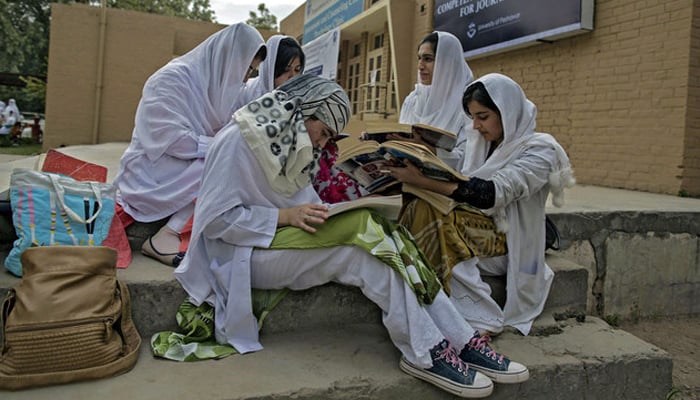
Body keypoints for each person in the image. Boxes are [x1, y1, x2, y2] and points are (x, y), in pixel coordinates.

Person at [174, 74, 529, 398]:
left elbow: (305, 202)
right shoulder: (237, 139)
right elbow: (217, 222)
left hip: (277, 240)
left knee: (386, 242)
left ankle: (459, 339)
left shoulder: (290, 139)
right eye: (325, 132)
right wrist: (285, 216)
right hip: (240, 255)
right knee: (363, 248)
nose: (323, 143)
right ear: (305, 112)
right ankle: (426, 351)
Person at [385, 73, 576, 336]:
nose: (475, 126)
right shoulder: (482, 145)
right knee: (420, 207)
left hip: (509, 244)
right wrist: (419, 149)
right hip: (477, 231)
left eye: (483, 117)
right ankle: (433, 303)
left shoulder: (541, 151)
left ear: (506, 112)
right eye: (473, 117)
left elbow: (491, 192)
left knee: (442, 218)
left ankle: (481, 318)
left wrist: (422, 181)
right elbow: (456, 166)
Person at [113, 23, 266, 267]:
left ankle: (173, 233)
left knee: (240, 162)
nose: (246, 77)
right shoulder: (171, 79)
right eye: (246, 68)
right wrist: (223, 146)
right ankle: (168, 237)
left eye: (252, 70)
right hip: (152, 170)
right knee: (227, 163)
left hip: (188, 165)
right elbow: (172, 140)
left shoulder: (224, 87)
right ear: (228, 57)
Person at [395, 31, 474, 170]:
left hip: (441, 188)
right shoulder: (412, 100)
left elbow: (467, 159)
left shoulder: (467, 103)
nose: (420, 66)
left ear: (448, 63)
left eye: (428, 59)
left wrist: (428, 150)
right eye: (419, 58)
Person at [240, 35, 305, 105]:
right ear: (271, 69)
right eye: (286, 69)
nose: (292, 76)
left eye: (297, 69)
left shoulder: (304, 102)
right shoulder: (245, 95)